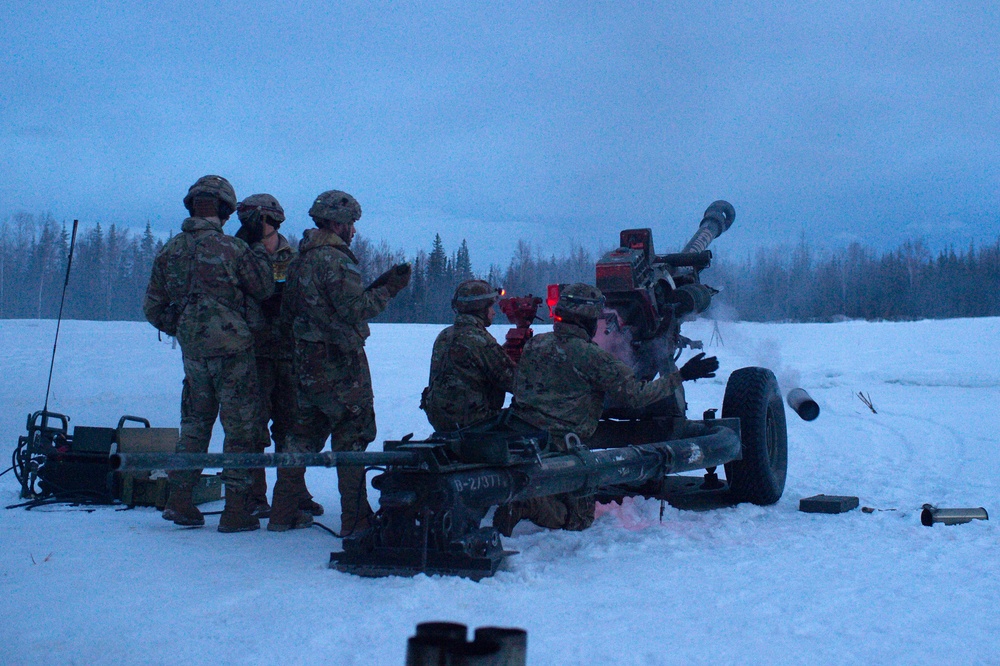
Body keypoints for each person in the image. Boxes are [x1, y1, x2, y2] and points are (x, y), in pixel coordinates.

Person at [493, 282, 718, 536]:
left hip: (526, 436)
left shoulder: (536, 345)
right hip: (562, 447)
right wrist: (681, 376)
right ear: (587, 320)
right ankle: (527, 505)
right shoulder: (593, 357)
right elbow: (636, 396)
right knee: (581, 518)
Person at [271, 190, 411, 532]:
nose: (354, 231)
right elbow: (354, 310)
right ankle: (356, 520)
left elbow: (289, 314)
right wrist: (390, 288)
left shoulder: (299, 259)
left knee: (300, 437)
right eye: (351, 224)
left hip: (306, 365)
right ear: (337, 223)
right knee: (352, 437)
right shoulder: (335, 260)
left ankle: (282, 513)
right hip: (340, 366)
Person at [143, 175, 274, 533]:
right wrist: (262, 244)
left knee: (195, 425)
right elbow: (263, 287)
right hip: (234, 351)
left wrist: (186, 324)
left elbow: (153, 308)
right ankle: (235, 510)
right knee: (240, 428)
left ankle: (180, 499)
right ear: (225, 210)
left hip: (194, 353)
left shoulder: (170, 251)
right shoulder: (232, 249)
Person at [231, 194, 312, 518]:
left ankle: (294, 493)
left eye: (257, 219)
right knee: (252, 428)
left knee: (293, 427)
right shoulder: (238, 254)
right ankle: (254, 495)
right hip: (253, 352)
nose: (252, 225)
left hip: (289, 351)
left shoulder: (290, 255)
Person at [421, 279, 515, 432]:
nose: (494, 312)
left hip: (441, 420)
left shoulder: (445, 335)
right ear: (480, 309)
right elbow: (513, 382)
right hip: (475, 423)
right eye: (490, 306)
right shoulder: (479, 339)